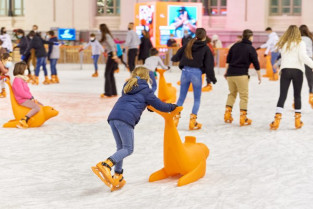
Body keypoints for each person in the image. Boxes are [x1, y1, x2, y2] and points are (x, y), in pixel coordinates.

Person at [92, 66, 177, 191]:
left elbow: (134, 100)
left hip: (113, 117)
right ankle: (106, 164)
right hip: (126, 119)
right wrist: (172, 107)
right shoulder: (146, 90)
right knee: (128, 149)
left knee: (121, 148)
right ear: (146, 77)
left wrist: (147, 105)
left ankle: (118, 174)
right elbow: (160, 105)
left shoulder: (128, 86)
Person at [171, 28, 216, 130]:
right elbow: (209, 65)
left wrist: (175, 58)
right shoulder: (205, 48)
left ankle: (175, 118)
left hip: (185, 72)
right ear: (204, 36)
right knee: (196, 99)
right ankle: (193, 121)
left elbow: (177, 56)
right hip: (196, 73)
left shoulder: (188, 44)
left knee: (181, 98)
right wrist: (212, 78)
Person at [269, 25, 313, 130]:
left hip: (285, 71)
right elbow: (303, 57)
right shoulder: (300, 43)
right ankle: (297, 121)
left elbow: (282, 57)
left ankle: (277, 120)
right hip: (297, 71)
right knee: (297, 95)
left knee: (282, 95)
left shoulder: (284, 43)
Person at [224, 29, 261, 126]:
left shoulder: (234, 46)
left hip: (231, 74)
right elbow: (256, 63)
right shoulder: (250, 48)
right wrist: (259, 75)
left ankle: (227, 114)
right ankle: (243, 117)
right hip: (241, 75)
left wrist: (226, 72)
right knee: (243, 96)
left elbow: (228, 60)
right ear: (250, 37)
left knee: (232, 94)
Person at [12, 61, 42, 129]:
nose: (26, 70)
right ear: (21, 69)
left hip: (26, 98)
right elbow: (21, 93)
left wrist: (32, 98)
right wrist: (30, 97)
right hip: (22, 100)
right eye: (25, 69)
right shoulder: (17, 79)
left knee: (41, 105)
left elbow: (27, 91)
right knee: (37, 107)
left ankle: (37, 119)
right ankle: (24, 120)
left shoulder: (22, 79)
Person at [99, 24, 118, 98]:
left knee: (107, 73)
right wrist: (106, 51)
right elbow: (110, 45)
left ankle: (108, 92)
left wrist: (114, 55)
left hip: (112, 55)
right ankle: (113, 92)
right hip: (111, 54)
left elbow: (112, 45)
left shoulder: (106, 35)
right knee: (110, 74)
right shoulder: (107, 35)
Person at [299, 25, 313, 108]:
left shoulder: (298, 39)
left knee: (298, 82)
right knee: (310, 81)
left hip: (300, 60)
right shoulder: (310, 38)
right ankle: (311, 98)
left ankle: (295, 101)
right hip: (309, 60)